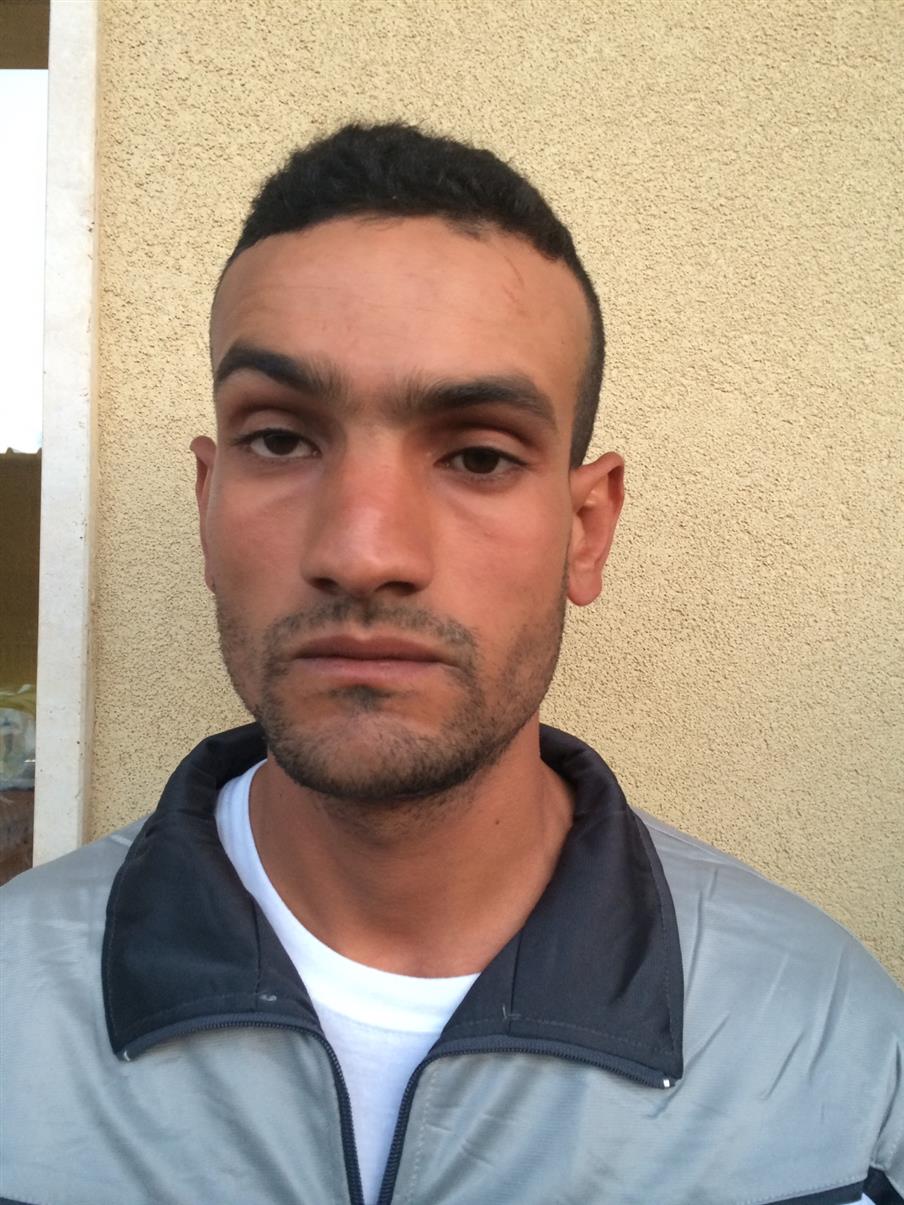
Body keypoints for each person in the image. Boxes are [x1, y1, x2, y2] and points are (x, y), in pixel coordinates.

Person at [1, 123, 901, 1205]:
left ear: (586, 529)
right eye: (280, 439)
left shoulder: (832, 1049)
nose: (362, 550)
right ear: (208, 504)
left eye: (478, 454)